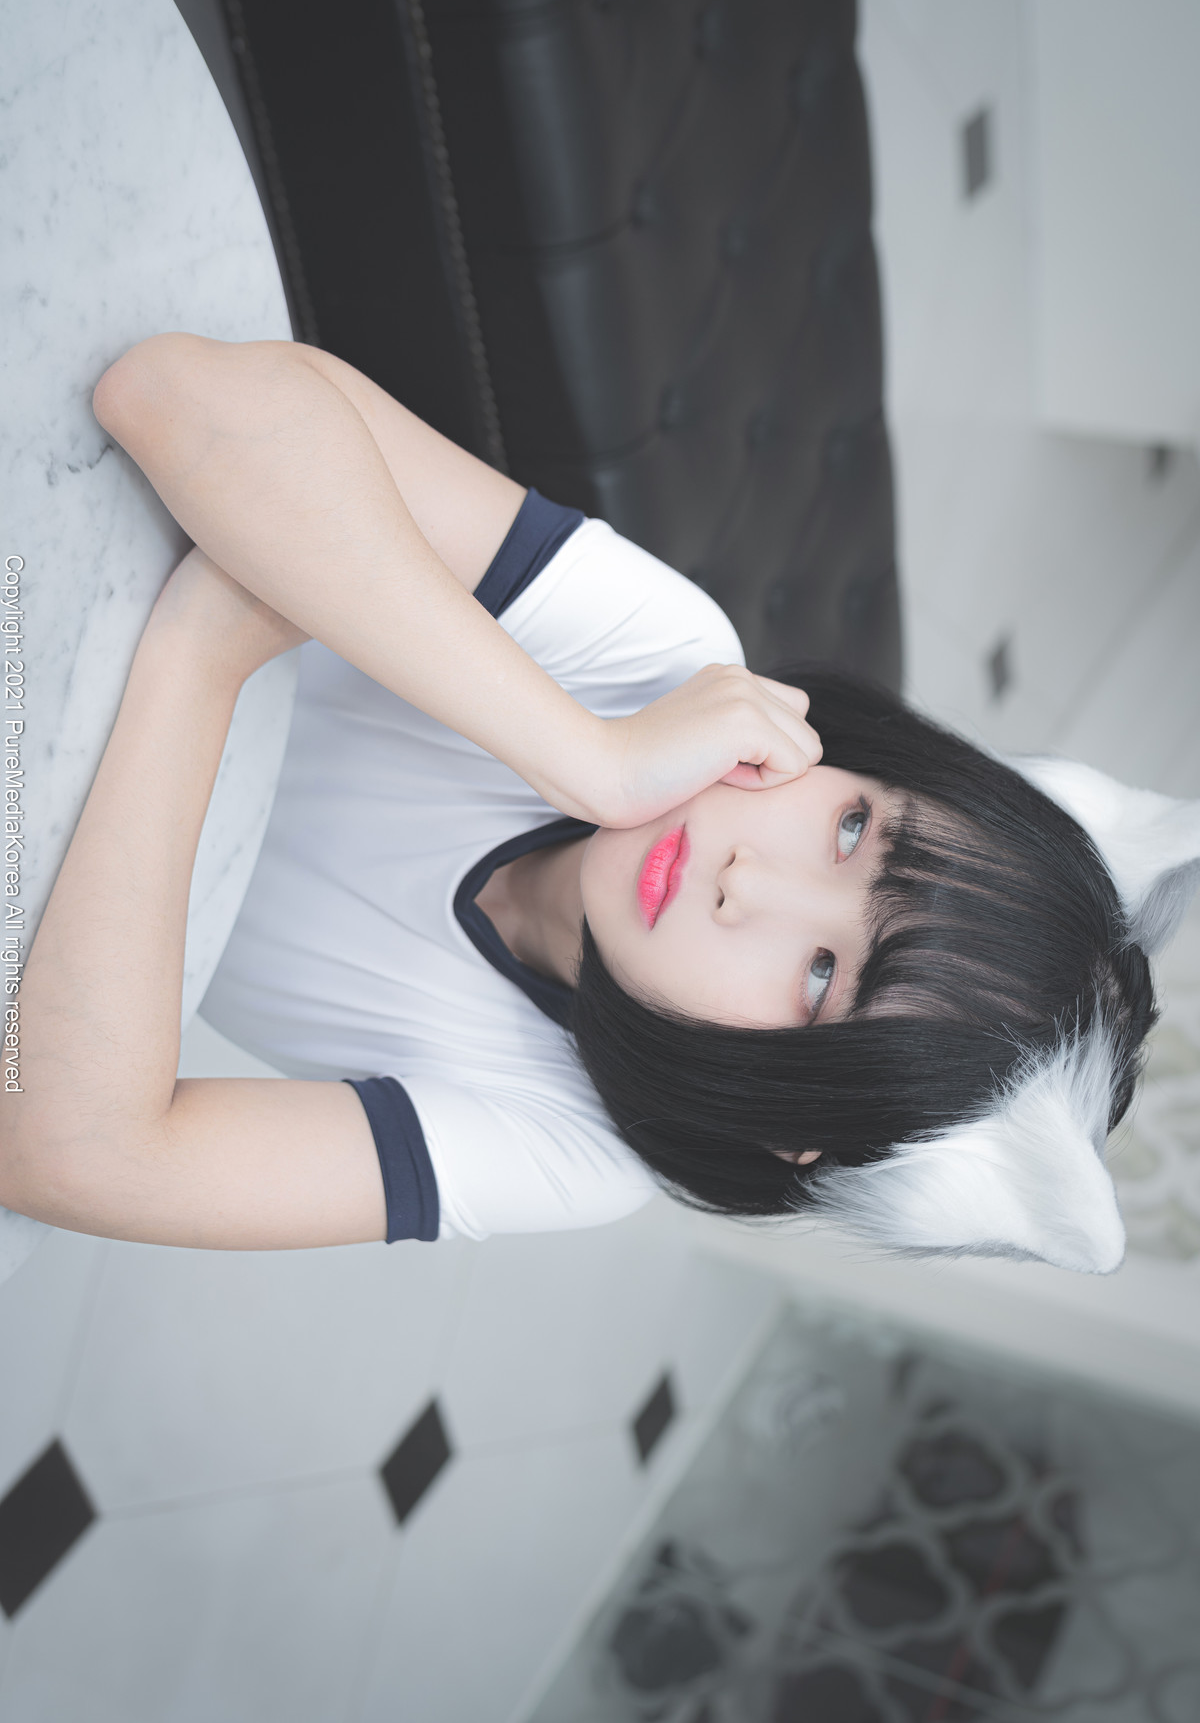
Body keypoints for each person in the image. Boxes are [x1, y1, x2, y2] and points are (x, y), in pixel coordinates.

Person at [7, 336, 1197, 1277]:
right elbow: (175, 391)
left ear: (785, 1121)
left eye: (820, 975)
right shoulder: (666, 656)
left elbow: (68, 1150)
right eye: (852, 829)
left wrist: (205, 653)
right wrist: (587, 757)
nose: (748, 879)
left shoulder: (568, 1149)